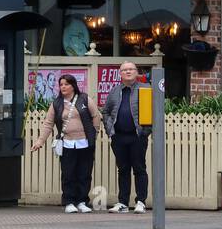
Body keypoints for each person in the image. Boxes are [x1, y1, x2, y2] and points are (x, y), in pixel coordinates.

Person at [30, 74, 103, 214]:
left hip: (85, 143)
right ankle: (69, 201)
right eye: (61, 84)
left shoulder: (85, 99)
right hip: (67, 143)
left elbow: (96, 116)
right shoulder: (56, 103)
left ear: (73, 86)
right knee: (68, 173)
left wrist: (95, 132)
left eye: (66, 84)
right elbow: (48, 123)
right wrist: (40, 141)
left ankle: (82, 201)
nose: (63, 87)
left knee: (84, 173)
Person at [101, 62, 151, 213]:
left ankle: (141, 202)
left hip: (137, 137)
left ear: (136, 72)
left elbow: (153, 112)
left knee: (139, 169)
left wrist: (145, 132)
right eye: (124, 70)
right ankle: (122, 202)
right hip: (119, 137)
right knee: (122, 170)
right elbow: (106, 111)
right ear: (120, 74)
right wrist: (110, 129)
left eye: (131, 69)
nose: (128, 72)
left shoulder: (146, 89)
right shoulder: (114, 91)